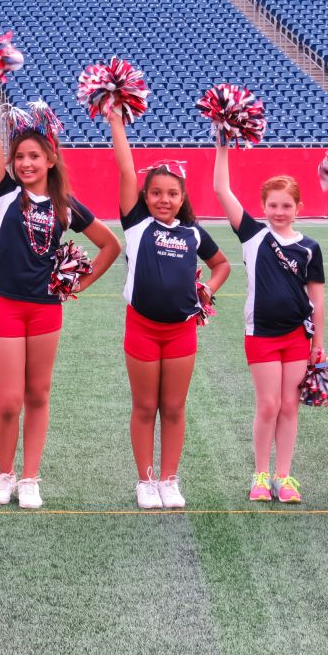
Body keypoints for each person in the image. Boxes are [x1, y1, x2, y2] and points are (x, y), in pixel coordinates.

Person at [0, 71, 121, 509]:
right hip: (6, 307)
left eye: (34, 156)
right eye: (21, 157)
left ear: (51, 159)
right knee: (9, 399)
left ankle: (30, 477)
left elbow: (110, 245)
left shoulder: (66, 206)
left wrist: (78, 285)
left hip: (46, 309)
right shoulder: (3, 193)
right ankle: (4, 472)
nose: (26, 164)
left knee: (38, 394)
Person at [109, 112, 230, 508]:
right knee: (145, 406)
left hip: (181, 332)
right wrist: (116, 121)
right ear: (145, 198)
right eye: (156, 193)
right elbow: (127, 170)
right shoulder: (136, 226)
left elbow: (222, 265)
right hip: (141, 329)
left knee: (174, 407)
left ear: (182, 198)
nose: (164, 199)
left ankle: (169, 479)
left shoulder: (193, 232)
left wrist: (207, 290)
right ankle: (145, 481)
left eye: (172, 194)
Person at [213, 138, 323, 503]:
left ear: (298, 208)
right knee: (269, 405)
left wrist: (318, 343)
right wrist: (222, 144)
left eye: (287, 205)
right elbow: (221, 189)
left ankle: (284, 476)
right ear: (263, 207)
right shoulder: (253, 235)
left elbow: (317, 299)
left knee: (290, 406)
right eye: (273, 205)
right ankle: (260, 474)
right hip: (260, 334)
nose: (279, 211)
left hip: (296, 337)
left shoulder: (310, 247)